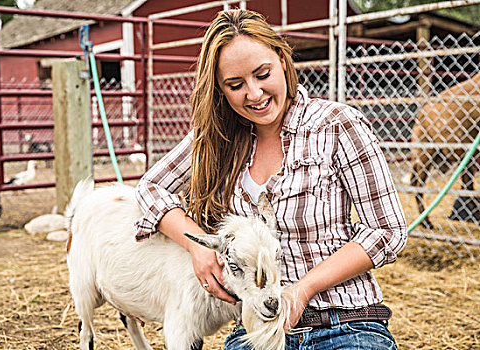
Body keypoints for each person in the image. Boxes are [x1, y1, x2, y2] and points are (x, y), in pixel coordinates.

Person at [135, 9, 407, 350]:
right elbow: (150, 188)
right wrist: (197, 246)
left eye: (263, 74)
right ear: (220, 90)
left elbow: (387, 232)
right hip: (256, 333)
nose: (254, 94)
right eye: (235, 85)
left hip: (344, 322)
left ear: (282, 59)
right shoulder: (217, 139)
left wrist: (303, 289)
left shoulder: (337, 124)